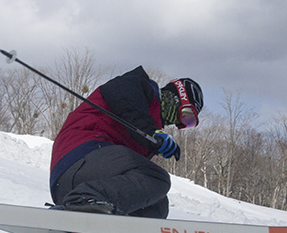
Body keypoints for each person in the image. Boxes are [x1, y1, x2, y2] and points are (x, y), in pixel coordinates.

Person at [49, 66, 203, 220]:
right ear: (176, 97)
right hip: (79, 155)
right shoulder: (135, 86)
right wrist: (152, 133)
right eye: (186, 117)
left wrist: (152, 136)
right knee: (157, 178)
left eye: (188, 124)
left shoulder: (146, 135)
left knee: (157, 206)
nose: (179, 124)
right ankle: (82, 200)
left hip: (75, 183)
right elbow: (130, 107)